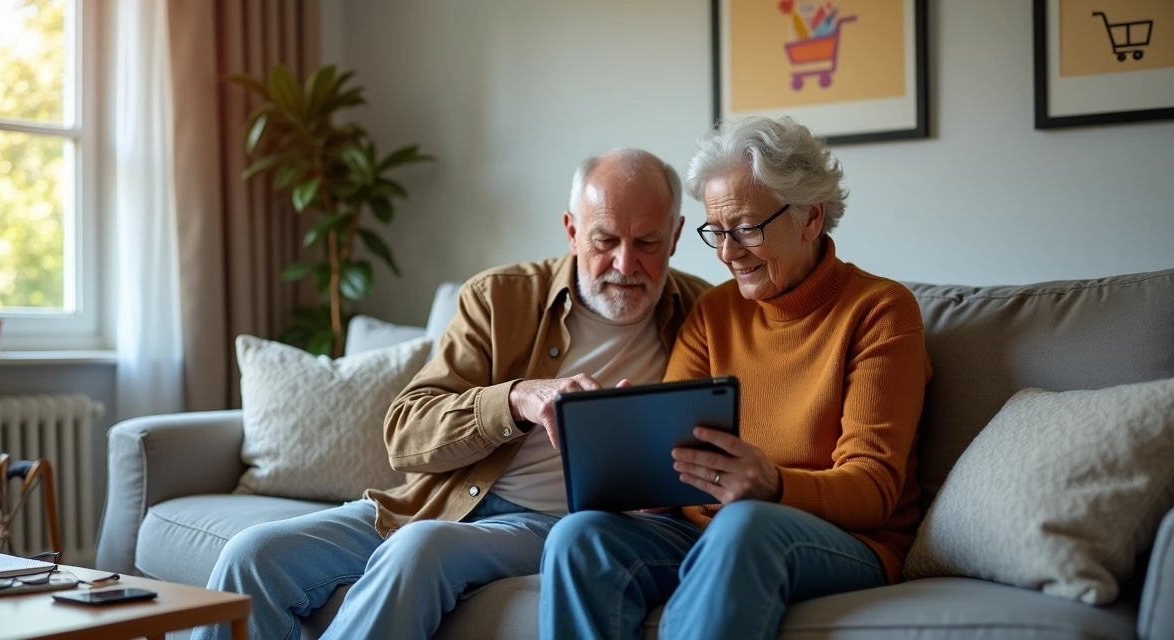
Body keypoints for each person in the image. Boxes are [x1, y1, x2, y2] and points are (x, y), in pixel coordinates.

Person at [191, 148, 710, 640]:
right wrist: (516, 400)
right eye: (605, 241)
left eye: (647, 242)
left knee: (421, 548)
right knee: (253, 555)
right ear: (572, 232)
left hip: (555, 525)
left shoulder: (708, 316)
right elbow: (406, 431)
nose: (625, 263)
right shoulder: (498, 298)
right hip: (444, 499)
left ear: (676, 235)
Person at [540, 117, 933, 639]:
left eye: (747, 229)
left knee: (744, 523)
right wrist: (640, 461)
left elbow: (874, 489)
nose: (727, 253)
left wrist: (771, 486)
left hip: (845, 539)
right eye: (716, 232)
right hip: (710, 531)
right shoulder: (712, 313)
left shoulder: (880, 311)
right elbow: (674, 480)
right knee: (578, 536)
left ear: (811, 218)